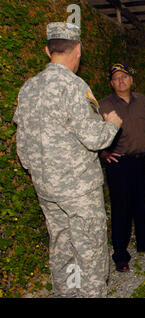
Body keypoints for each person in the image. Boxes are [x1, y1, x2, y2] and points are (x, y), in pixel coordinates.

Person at [13, 22, 123, 297]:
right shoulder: (74, 86)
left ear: (47, 50)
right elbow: (93, 139)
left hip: (46, 188)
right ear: (78, 49)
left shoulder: (28, 88)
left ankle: (67, 292)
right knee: (90, 249)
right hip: (78, 190)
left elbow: (22, 146)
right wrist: (111, 124)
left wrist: (40, 172)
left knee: (62, 245)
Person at [99, 63, 145, 273]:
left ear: (131, 80)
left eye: (124, 76)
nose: (121, 81)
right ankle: (120, 255)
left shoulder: (142, 100)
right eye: (116, 78)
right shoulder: (104, 105)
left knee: (142, 204)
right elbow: (94, 132)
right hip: (119, 165)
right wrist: (104, 152)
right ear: (111, 83)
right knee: (121, 209)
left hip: (140, 161)